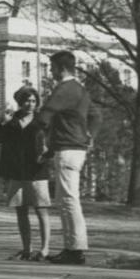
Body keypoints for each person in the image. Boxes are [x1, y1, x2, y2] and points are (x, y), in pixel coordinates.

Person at [38, 50, 100, 265]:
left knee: (68, 200)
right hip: (75, 149)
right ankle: (73, 248)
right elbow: (96, 115)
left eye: (52, 67)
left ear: (61, 68)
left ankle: (75, 249)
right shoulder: (81, 90)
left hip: (67, 149)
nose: (51, 72)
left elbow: (44, 117)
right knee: (67, 199)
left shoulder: (65, 89)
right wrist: (90, 135)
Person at [0, 86, 52, 261]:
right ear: (20, 102)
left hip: (37, 171)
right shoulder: (11, 120)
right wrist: (2, 123)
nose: (30, 104)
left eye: (33, 101)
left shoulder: (42, 121)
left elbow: (52, 143)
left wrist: (47, 155)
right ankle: (26, 249)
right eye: (26, 100)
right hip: (16, 171)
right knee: (21, 211)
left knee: (41, 210)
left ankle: (44, 249)